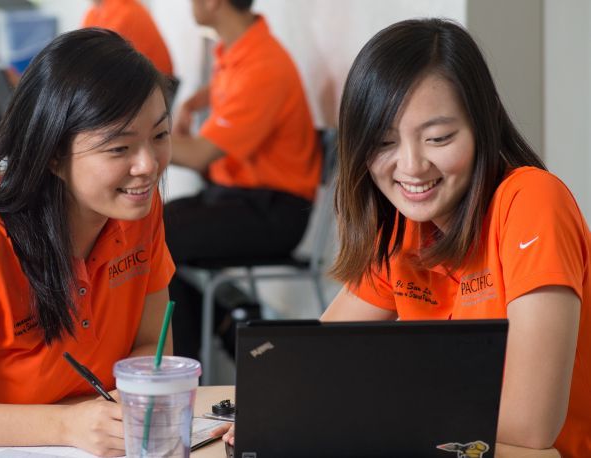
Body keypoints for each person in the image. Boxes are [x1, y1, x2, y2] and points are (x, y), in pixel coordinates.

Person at [214, 18, 591, 457]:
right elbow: (312, 363)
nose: (411, 166)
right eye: (384, 142)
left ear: (481, 126)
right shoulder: (403, 231)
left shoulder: (531, 201)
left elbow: (530, 428)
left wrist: (356, 408)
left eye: (438, 138)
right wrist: (283, 411)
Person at [0, 28, 175, 456]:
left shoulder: (138, 208)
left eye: (160, 136)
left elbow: (150, 341)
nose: (148, 165)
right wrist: (65, 425)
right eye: (119, 148)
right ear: (52, 155)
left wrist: (133, 397)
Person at [166, 0, 322, 361]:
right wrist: (193, 102)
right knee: (148, 229)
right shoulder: (236, 50)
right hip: (234, 198)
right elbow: (232, 97)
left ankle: (185, 368)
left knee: (162, 235)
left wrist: (130, 141)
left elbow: (199, 155)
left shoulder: (263, 65)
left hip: (273, 212)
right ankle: (231, 322)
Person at [82, 0, 173, 77]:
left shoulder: (123, 10)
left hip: (157, 82)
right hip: (137, 78)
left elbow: (98, 60)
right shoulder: (93, 14)